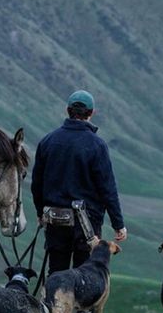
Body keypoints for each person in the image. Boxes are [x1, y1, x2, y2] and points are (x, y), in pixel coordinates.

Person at [31, 89, 127, 276]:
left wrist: (39, 211)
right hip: (86, 224)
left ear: (68, 110)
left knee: (56, 275)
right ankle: (79, 306)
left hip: (55, 220)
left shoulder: (48, 141)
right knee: (83, 276)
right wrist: (118, 224)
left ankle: (53, 305)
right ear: (91, 113)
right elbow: (107, 188)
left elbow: (37, 183)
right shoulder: (96, 145)